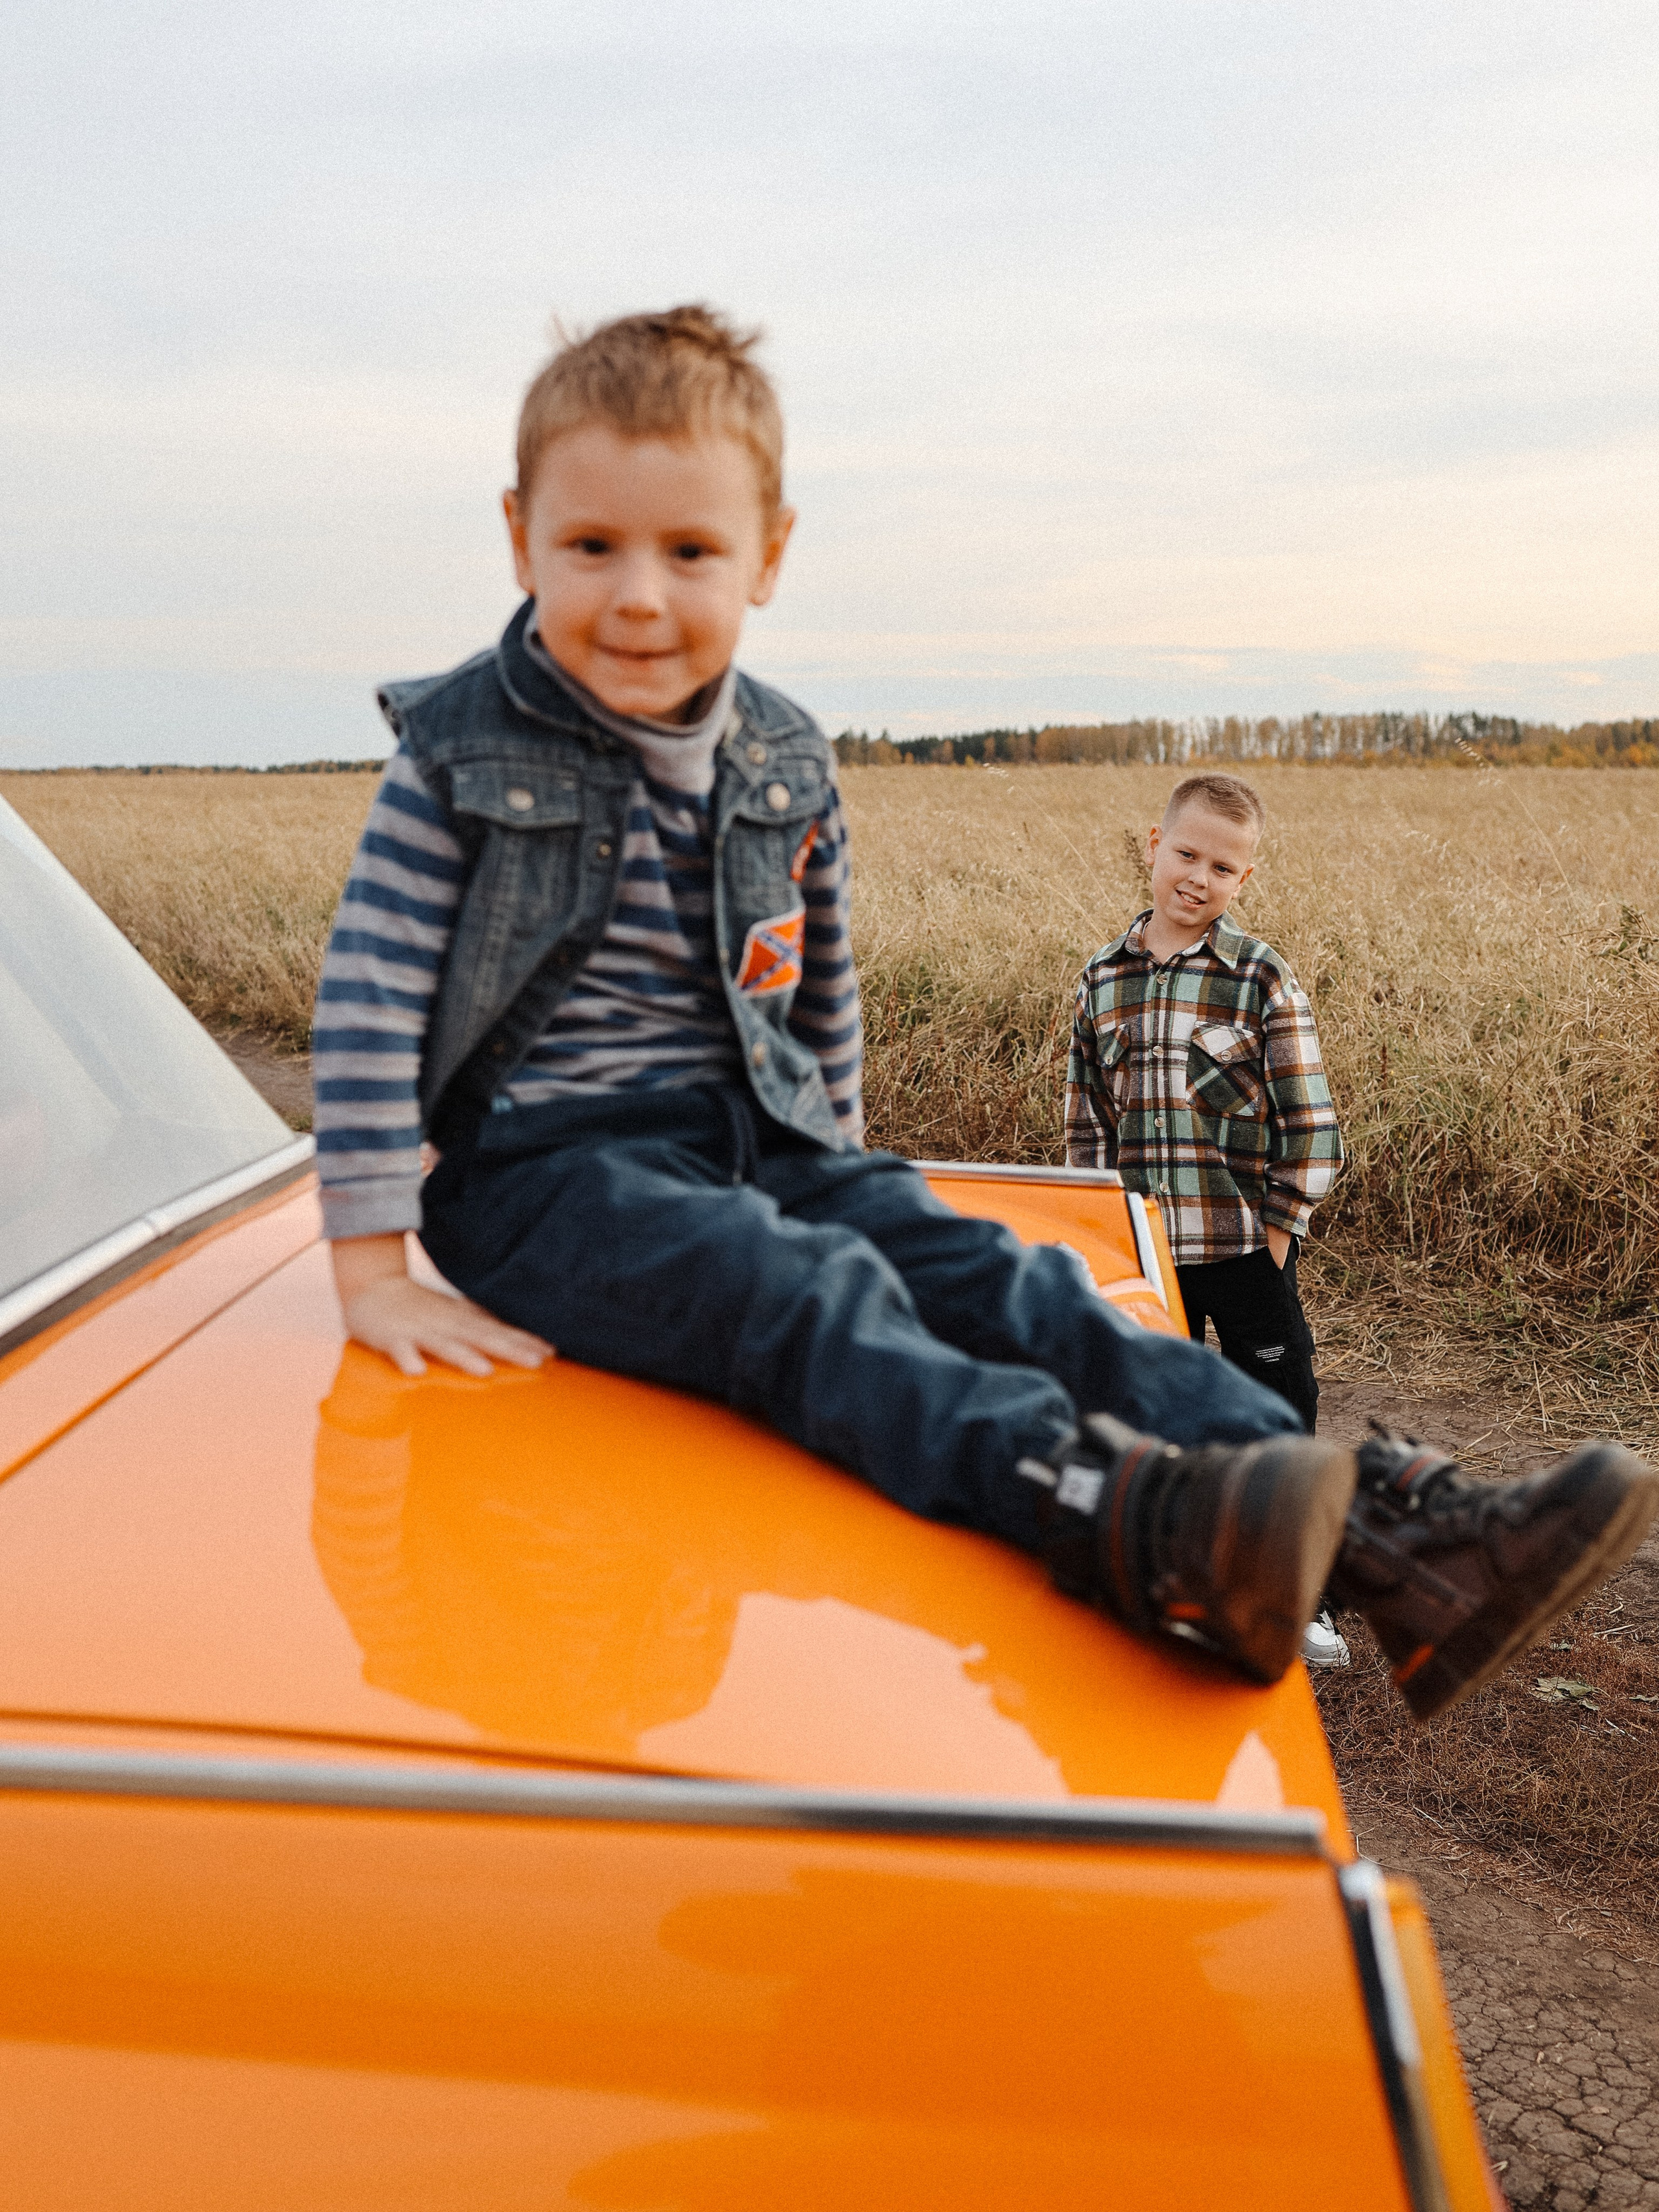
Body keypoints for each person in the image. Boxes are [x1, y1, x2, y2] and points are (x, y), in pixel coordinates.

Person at [312, 305, 1656, 1725]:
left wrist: (838, 1172)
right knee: (802, 1296)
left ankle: (1388, 1538)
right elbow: (366, 998)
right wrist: (373, 1268)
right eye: (593, 548)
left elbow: (814, 989)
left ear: (767, 555)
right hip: (546, 1176)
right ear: (521, 536)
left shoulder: (778, 751)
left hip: (753, 1139)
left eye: (689, 551)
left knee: (993, 1275)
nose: (639, 595)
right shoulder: (459, 750)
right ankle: (1113, 1510)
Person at [1065, 771, 1353, 1666]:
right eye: (1186, 854)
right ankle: (1171, 1568)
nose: (1198, 876)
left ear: (1244, 881)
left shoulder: (1260, 975)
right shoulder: (1103, 980)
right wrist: (1099, 1234)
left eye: (1222, 866)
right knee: (1156, 1403)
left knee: (1278, 1402)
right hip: (1148, 1248)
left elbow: (1311, 1121)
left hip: (1242, 1243)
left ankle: (1291, 1589)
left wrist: (1277, 1234)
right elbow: (1087, 1125)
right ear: (1154, 845)